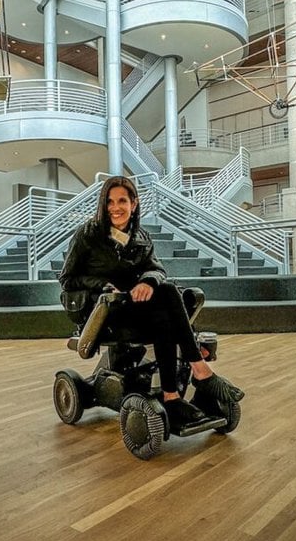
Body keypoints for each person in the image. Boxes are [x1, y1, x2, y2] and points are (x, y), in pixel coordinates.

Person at [59, 175, 244, 428]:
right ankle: (199, 372)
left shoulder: (141, 237)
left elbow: (157, 270)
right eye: (110, 202)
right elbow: (68, 279)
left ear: (133, 204)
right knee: (165, 309)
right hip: (106, 312)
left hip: (135, 310)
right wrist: (102, 286)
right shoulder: (88, 235)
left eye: (122, 201)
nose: (116, 207)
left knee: (165, 294)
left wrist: (148, 282)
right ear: (103, 205)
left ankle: (172, 396)